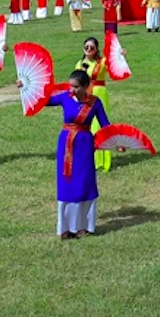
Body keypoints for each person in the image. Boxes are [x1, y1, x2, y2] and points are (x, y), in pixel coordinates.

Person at [41, 68, 109, 238]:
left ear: (86, 86)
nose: (72, 89)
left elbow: (105, 125)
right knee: (67, 182)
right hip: (66, 144)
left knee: (84, 183)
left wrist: (116, 141)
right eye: (71, 86)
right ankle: (65, 228)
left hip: (85, 145)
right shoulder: (65, 97)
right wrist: (24, 88)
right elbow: (44, 101)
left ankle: (83, 227)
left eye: (76, 87)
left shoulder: (95, 102)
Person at [75, 37, 114, 172]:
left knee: (101, 126)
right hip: (85, 96)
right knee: (88, 128)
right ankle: (93, 161)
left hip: (99, 94)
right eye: (86, 47)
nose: (88, 50)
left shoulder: (102, 62)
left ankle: (105, 161)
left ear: (96, 49)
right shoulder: (79, 64)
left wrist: (121, 55)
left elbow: (115, 66)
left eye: (91, 47)